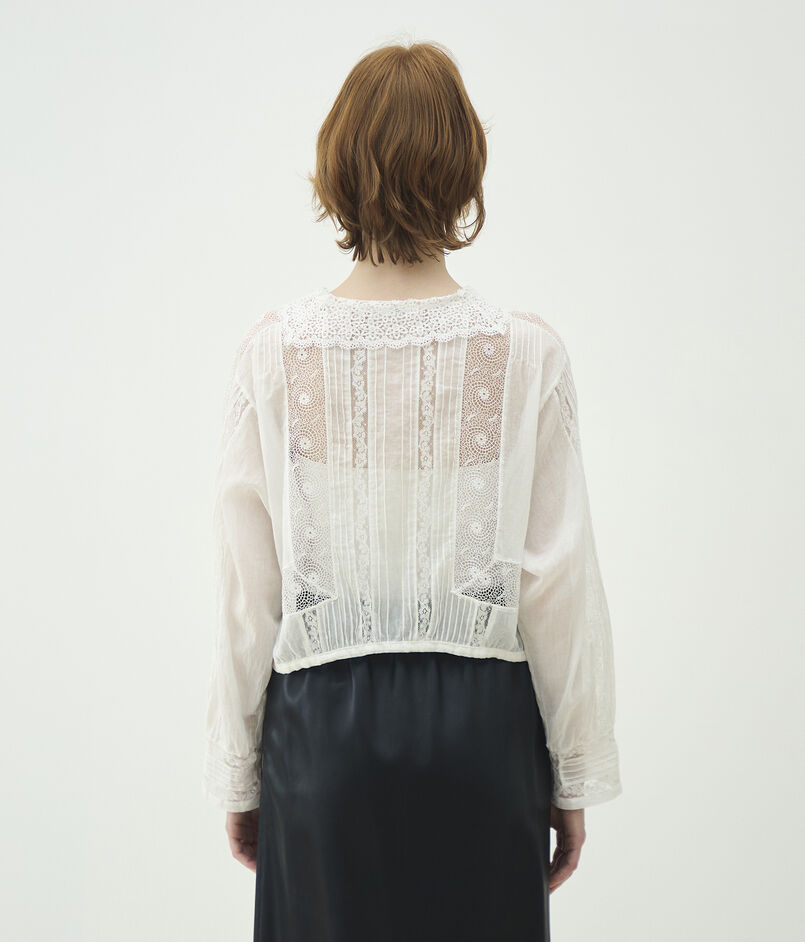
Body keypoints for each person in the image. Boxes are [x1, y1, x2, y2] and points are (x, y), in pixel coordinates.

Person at [202, 38, 623, 942]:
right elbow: (556, 585)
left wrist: (239, 772)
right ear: (463, 167)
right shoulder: (527, 356)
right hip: (483, 739)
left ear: (336, 168)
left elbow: (248, 592)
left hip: (320, 740)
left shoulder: (273, 356)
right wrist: (572, 775)